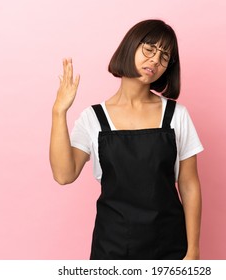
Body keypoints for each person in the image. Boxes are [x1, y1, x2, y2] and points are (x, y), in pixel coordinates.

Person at [49, 19, 203, 260]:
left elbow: (189, 184)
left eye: (164, 57)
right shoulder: (94, 118)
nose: (155, 60)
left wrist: (193, 250)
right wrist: (59, 112)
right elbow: (64, 175)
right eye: (150, 49)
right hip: (112, 247)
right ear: (130, 47)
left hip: (169, 245)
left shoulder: (176, 115)